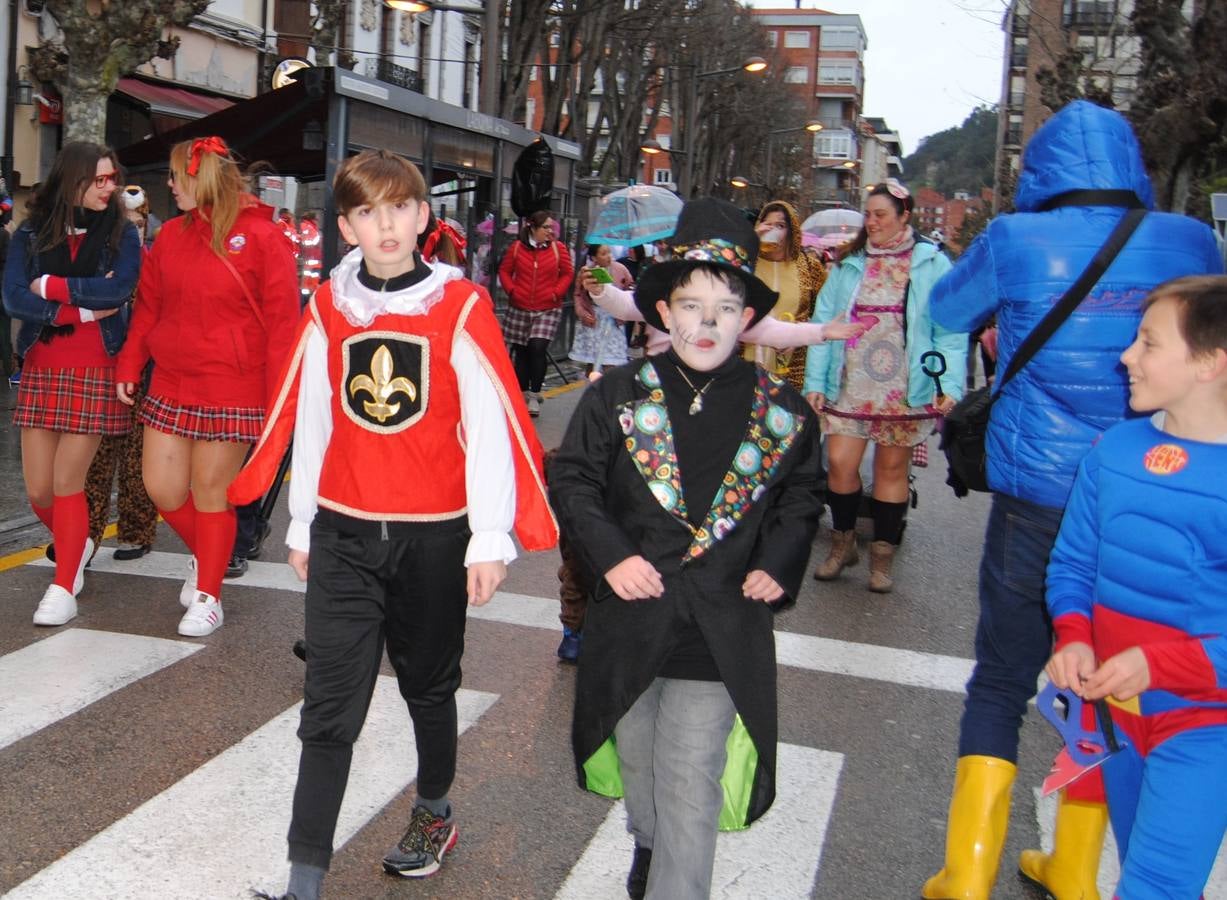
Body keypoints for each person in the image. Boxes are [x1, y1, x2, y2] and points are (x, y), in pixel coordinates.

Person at [227, 149, 556, 900]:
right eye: (367, 211)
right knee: (328, 711)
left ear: (422, 217)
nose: (385, 224)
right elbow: (312, 422)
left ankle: (433, 809)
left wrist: (489, 538)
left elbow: (490, 425)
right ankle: (303, 880)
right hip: (344, 536)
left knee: (428, 690)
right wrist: (303, 525)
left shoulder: (459, 305)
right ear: (345, 226)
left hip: (434, 538)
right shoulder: (329, 307)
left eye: (399, 207)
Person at [922, 100, 1224, 900]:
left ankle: (967, 871)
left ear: (1040, 169)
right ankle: (1075, 870)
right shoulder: (1189, 240)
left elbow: (944, 309)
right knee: (1112, 673)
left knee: (1000, 678)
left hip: (1035, 493)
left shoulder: (1017, 239)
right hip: (1146, 488)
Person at [550, 198, 825, 900]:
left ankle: (673, 878)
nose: (706, 322)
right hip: (631, 615)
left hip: (720, 621)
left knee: (688, 781)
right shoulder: (614, 396)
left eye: (725, 307)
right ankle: (648, 845)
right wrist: (610, 556)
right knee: (639, 768)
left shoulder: (782, 413)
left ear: (747, 318)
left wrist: (778, 561)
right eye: (690, 305)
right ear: (663, 313)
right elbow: (575, 479)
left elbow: (800, 496)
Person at [1045, 275, 1227, 898]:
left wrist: (1160, 664)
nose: (1126, 355)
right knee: (1142, 875)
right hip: (1118, 717)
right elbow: (1072, 562)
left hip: (1207, 722)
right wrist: (1072, 635)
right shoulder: (1114, 449)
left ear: (1210, 363)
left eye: (1148, 343)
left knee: (1153, 888)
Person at [115, 136, 299, 638]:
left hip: (233, 384)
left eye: (177, 176)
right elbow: (149, 308)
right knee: (162, 488)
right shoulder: (171, 235)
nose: (169, 186)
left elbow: (285, 325)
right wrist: (130, 363)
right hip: (172, 381)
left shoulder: (263, 237)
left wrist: (281, 400)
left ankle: (209, 593)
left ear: (201, 178)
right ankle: (210, 558)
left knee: (212, 494)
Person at [804, 179, 967, 593]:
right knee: (839, 464)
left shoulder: (932, 264)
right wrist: (815, 381)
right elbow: (826, 323)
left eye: (881, 215)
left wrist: (946, 384)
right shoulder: (848, 264)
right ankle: (843, 544)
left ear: (904, 215)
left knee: (891, 469)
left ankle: (881, 557)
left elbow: (949, 330)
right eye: (869, 215)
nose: (871, 222)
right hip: (850, 381)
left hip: (905, 385)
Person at [2, 142, 141, 626]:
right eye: (100, 179)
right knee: (39, 490)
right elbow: (14, 297)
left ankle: (63, 587)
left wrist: (53, 287)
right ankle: (75, 544)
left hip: (96, 368)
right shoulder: (30, 231)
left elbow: (119, 289)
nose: (110, 187)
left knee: (67, 483)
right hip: (42, 365)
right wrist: (80, 308)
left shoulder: (123, 235)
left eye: (112, 178)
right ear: (74, 179)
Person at [81, 184, 158, 561]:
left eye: (139, 220)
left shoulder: (156, 262)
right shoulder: (99, 259)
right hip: (101, 365)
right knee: (93, 456)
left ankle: (136, 531)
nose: (133, 226)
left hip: (144, 371)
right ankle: (85, 537)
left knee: (137, 458)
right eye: (126, 220)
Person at [498, 208, 574, 417]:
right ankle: (522, 393)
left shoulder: (559, 249)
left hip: (547, 307)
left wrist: (556, 292)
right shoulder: (516, 248)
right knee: (521, 351)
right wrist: (512, 290)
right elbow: (504, 271)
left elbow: (568, 273)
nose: (550, 231)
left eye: (552, 227)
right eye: (546, 227)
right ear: (533, 228)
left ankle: (535, 394)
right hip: (520, 306)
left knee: (537, 346)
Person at [744, 200, 827, 389]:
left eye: (780, 225)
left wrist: (799, 335)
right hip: (746, 366)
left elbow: (822, 313)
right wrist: (751, 242)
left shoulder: (809, 266)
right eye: (767, 224)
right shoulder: (746, 263)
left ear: (792, 231)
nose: (772, 230)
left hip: (791, 369)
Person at [569, 243, 632, 373]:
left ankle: (608, 390)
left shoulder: (620, 269)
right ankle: (592, 389)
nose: (608, 256)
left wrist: (625, 312)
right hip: (595, 318)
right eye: (603, 254)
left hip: (614, 319)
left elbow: (629, 288)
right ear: (594, 257)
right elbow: (578, 294)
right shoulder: (587, 272)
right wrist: (582, 312)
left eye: (609, 252)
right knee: (592, 362)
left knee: (611, 362)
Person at [298, 210, 322, 304]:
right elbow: (309, 242)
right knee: (309, 281)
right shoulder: (308, 227)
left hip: (312, 259)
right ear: (312, 219)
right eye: (316, 219)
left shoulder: (308, 227)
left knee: (310, 281)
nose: (317, 221)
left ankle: (309, 297)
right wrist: (318, 238)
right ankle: (307, 300)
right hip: (312, 259)